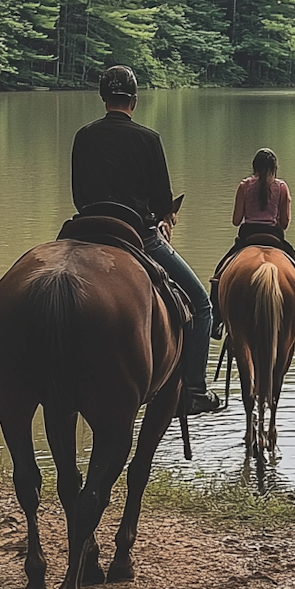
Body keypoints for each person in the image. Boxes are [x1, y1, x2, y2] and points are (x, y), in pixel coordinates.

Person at [69, 66, 221, 416]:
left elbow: (78, 194)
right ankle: (194, 390)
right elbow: (161, 201)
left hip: (87, 225)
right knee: (201, 306)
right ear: (134, 101)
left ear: (103, 98)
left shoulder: (83, 136)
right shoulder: (148, 138)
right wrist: (159, 216)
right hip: (139, 235)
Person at [211, 148, 295, 350]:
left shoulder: (244, 186)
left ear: (254, 167)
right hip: (274, 238)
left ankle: (216, 324)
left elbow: (235, 220)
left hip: (247, 238)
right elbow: (284, 223)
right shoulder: (282, 188)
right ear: (275, 169)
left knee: (218, 275)